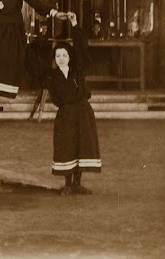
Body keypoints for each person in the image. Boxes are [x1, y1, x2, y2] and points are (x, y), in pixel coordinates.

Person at [49, 12, 101, 195]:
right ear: (54, 59)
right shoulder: (53, 77)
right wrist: (66, 104)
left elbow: (81, 48)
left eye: (64, 55)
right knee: (66, 146)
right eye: (58, 56)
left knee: (82, 145)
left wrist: (75, 25)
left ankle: (78, 183)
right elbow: (54, 97)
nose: (61, 58)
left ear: (70, 57)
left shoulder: (77, 70)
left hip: (82, 112)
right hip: (65, 115)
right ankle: (68, 184)